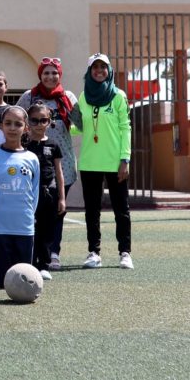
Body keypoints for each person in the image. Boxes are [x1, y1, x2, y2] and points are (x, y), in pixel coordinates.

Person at [69, 53, 133, 270]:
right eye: (95, 67)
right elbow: (81, 128)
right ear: (89, 71)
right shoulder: (83, 97)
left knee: (121, 209)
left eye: (103, 67)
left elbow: (126, 128)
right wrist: (64, 120)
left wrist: (125, 159)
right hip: (89, 162)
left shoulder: (118, 96)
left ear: (109, 70)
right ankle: (93, 252)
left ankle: (125, 252)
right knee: (92, 211)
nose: (99, 71)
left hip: (115, 163)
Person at [17, 57, 79, 271]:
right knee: (32, 211)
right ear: (40, 75)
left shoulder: (67, 97)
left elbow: (81, 123)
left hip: (62, 163)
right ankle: (33, 252)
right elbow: (17, 119)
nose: (51, 77)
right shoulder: (29, 96)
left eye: (55, 73)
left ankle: (53, 253)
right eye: (46, 73)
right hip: (33, 161)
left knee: (56, 211)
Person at [0, 105, 39, 286]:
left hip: (23, 225)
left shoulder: (31, 158)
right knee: (1, 281)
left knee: (24, 278)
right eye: (8, 123)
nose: (13, 128)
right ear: (1, 127)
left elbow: (34, 193)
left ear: (26, 128)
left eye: (18, 124)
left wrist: (29, 216)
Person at [23, 102, 66, 280]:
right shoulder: (23, 144)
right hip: (27, 194)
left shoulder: (53, 145)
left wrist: (62, 198)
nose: (39, 124)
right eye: (34, 120)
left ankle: (44, 264)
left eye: (43, 120)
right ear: (27, 123)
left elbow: (59, 173)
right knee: (29, 228)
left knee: (47, 230)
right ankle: (30, 262)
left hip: (49, 193)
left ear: (49, 122)